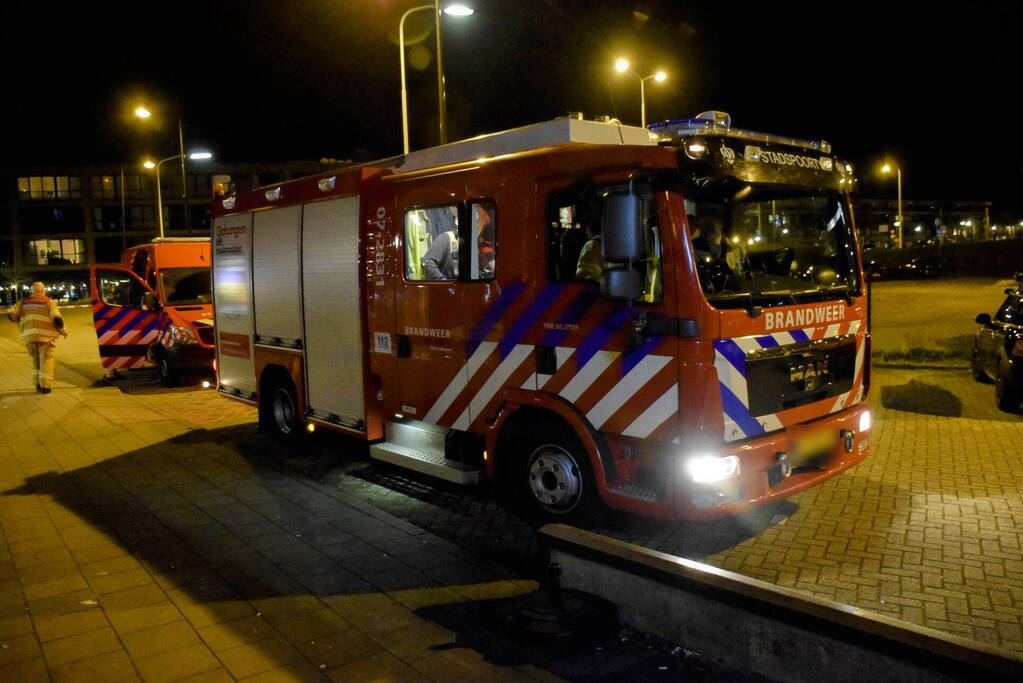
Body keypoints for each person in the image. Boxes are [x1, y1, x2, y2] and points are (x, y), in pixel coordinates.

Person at [7, 282, 68, 394]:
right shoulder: (49, 302)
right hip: (45, 337)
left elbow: (12, 314)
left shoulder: (23, 302)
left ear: (32, 291)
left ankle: (37, 384)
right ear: (43, 290)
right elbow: (57, 319)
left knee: (35, 360)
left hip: (29, 337)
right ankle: (45, 386)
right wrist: (64, 331)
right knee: (46, 360)